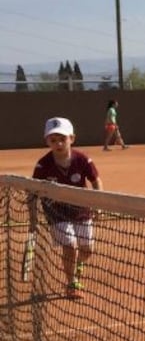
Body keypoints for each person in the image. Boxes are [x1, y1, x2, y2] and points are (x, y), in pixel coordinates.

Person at [32, 117, 103, 299]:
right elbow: (33, 191)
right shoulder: (42, 165)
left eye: (62, 138)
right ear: (47, 141)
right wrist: (33, 218)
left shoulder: (83, 160)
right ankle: (71, 283)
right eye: (53, 140)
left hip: (81, 208)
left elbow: (96, 181)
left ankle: (79, 265)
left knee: (87, 249)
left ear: (72, 138)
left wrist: (98, 203)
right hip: (55, 211)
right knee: (69, 246)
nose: (58, 143)